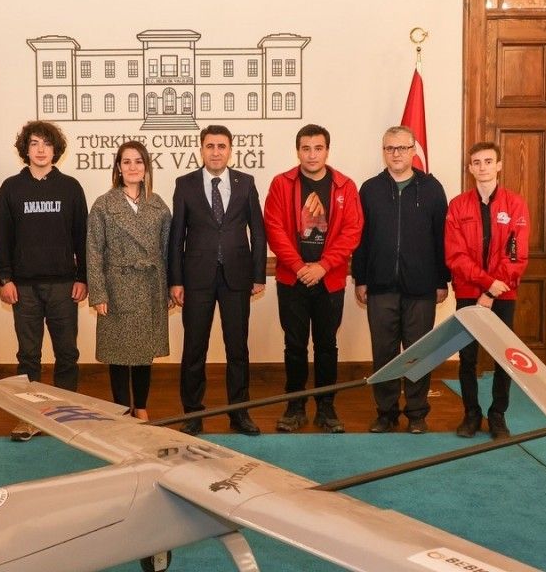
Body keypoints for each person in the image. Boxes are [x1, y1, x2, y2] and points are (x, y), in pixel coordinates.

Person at [168, 125, 267, 436]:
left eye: (221, 146)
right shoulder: (185, 184)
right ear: (201, 149)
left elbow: (258, 231)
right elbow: (176, 237)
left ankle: (239, 414)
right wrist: (176, 280)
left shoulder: (245, 183)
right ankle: (193, 414)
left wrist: (258, 275)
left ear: (230, 150)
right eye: (209, 146)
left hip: (237, 278)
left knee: (237, 349)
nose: (215, 152)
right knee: (194, 349)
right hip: (196, 278)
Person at [263, 124, 362, 433]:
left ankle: (326, 407)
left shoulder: (345, 186)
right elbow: (274, 229)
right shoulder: (281, 184)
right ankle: (294, 406)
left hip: (328, 280)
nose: (312, 155)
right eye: (306, 148)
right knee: (294, 345)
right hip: (292, 280)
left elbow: (352, 231)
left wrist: (323, 266)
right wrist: (298, 266)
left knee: (326, 345)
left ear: (327, 151)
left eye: (318, 148)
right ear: (298, 151)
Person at [352, 125, 450, 434]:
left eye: (403, 148)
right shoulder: (369, 189)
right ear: (384, 151)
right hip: (380, 286)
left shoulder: (432, 189)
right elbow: (360, 239)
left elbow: (442, 237)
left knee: (419, 353)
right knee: (384, 353)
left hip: (421, 287)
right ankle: (386, 413)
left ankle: (417, 414)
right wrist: (360, 278)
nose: (396, 154)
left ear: (413, 151)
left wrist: (442, 280)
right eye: (390, 148)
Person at [0, 120, 88, 441]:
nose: (41, 150)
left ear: (55, 149)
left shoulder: (71, 187)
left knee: (67, 354)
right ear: (26, 149)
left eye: (47, 144)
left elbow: (82, 237)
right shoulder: (11, 188)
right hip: (24, 287)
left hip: (64, 285)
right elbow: (3, 239)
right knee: (28, 357)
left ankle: (66, 419)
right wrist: (4, 278)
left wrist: (83, 277)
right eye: (34, 143)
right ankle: (28, 418)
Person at [445, 140, 530, 440]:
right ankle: (471, 414)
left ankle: (497, 415)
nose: (483, 167)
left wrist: (493, 291)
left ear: (499, 165)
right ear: (470, 168)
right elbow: (455, 255)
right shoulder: (458, 205)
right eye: (477, 162)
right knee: (467, 357)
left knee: (503, 356)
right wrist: (485, 284)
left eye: (488, 161)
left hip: (503, 293)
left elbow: (516, 255)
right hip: (469, 292)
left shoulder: (515, 204)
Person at [86, 141, 173, 420]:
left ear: (146, 167)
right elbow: (94, 251)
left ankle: (142, 407)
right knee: (119, 353)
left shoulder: (158, 205)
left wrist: (168, 289)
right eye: (126, 162)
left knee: (144, 353)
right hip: (116, 288)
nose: (133, 167)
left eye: (138, 161)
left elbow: (167, 251)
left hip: (150, 287)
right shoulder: (104, 205)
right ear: (118, 168)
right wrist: (98, 293)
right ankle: (122, 409)